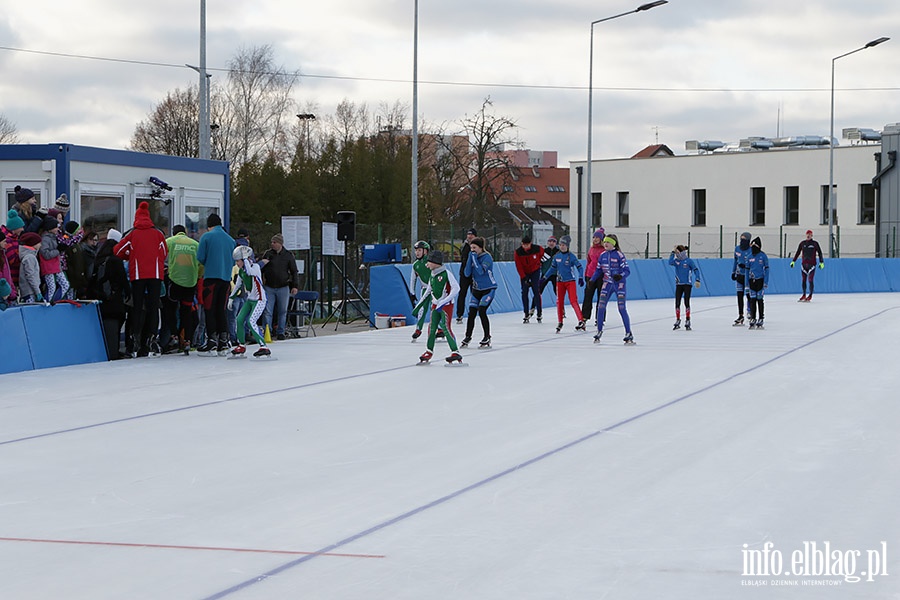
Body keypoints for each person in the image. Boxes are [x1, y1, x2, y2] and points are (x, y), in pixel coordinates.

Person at [114, 201, 168, 357]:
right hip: (156, 275)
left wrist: (131, 256)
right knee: (154, 307)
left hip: (138, 275)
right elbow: (164, 252)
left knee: (137, 308)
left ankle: (135, 341)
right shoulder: (158, 234)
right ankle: (152, 340)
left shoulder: (132, 234)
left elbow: (117, 251)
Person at [196, 213, 235, 356]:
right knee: (221, 309)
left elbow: (200, 257)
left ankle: (211, 339)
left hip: (211, 278)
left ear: (209, 225)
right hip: (225, 279)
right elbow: (233, 260)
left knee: (209, 309)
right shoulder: (230, 240)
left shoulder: (206, 237)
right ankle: (223, 340)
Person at [90, 232, 131, 360]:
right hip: (114, 299)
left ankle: (106, 350)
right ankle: (114, 351)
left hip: (101, 299)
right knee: (116, 326)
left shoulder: (98, 260)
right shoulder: (115, 260)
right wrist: (127, 292)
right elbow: (122, 280)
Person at [418, 250, 462, 364]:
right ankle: (429, 351)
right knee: (431, 328)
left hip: (446, 306)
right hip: (435, 305)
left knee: (446, 327)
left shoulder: (446, 273)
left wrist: (444, 301)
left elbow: (456, 288)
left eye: (429, 262)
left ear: (435, 262)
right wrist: (419, 305)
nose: (427, 265)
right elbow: (428, 291)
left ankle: (455, 352)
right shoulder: (432, 275)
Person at [228, 245, 271, 358]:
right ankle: (241, 345)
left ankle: (263, 346)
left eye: (238, 261)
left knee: (251, 321)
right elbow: (238, 285)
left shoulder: (255, 267)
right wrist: (231, 298)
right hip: (250, 300)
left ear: (245, 259)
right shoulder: (242, 271)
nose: (237, 264)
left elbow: (250, 272)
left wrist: (246, 259)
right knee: (239, 319)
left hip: (259, 299)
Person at [591, 234, 635, 344]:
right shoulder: (602, 255)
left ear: (613, 244)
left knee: (621, 308)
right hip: (607, 284)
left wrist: (620, 276)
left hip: (619, 284)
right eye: (604, 242)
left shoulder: (619, 255)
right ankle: (599, 331)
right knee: (601, 307)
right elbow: (598, 270)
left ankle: (628, 332)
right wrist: (592, 280)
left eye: (608, 242)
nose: (605, 244)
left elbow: (627, 270)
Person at [164, 224, 201, 355]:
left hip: (175, 281)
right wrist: (198, 276)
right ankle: (187, 341)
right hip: (190, 283)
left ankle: (174, 336)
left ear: (174, 233)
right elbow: (201, 263)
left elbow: (160, 253)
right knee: (187, 313)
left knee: (171, 309)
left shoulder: (170, 241)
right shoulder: (195, 244)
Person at [540, 235, 585, 333]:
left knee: (573, 301)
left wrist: (581, 277)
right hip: (560, 282)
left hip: (570, 282)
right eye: (560, 245)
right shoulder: (557, 256)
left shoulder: (571, 256)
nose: (562, 247)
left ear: (567, 246)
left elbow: (579, 267)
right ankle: (560, 322)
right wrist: (544, 277)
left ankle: (581, 320)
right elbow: (552, 268)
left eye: (564, 245)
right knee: (559, 302)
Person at [260, 233, 298, 341]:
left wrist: (294, 285)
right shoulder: (268, 254)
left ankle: (281, 331)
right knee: (268, 311)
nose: (272, 244)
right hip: (269, 286)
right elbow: (262, 269)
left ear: (280, 244)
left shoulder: (288, 255)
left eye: (274, 242)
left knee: (282, 310)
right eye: (272, 242)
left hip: (283, 286)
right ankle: (268, 331)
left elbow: (294, 271)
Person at [461, 236, 497, 348]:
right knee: (471, 313)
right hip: (476, 290)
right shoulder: (472, 256)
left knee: (481, 311)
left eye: (475, 247)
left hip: (488, 289)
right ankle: (468, 336)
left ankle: (487, 336)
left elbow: (481, 271)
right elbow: (466, 273)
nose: (472, 250)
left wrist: (474, 259)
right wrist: (469, 259)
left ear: (481, 248)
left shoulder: (487, 257)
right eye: (471, 247)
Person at [668, 244, 701, 331]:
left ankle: (688, 320)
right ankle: (678, 319)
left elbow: (696, 269)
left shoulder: (688, 261)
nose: (677, 254)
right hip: (679, 284)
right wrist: (672, 252)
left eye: (678, 252)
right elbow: (669, 262)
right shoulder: (676, 261)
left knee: (686, 302)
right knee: (677, 302)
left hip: (687, 284)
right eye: (676, 253)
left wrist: (697, 279)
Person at [39, 215, 70, 302]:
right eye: (56, 227)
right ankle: (47, 303)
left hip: (56, 266)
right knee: (51, 288)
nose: (57, 229)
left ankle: (55, 301)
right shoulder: (45, 239)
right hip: (48, 267)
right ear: (50, 228)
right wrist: (58, 250)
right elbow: (45, 254)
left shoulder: (53, 237)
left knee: (65, 284)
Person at [514, 235, 543, 323]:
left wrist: (540, 263)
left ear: (530, 243)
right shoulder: (518, 252)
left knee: (536, 291)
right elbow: (518, 266)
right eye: (524, 245)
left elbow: (544, 255)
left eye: (527, 245)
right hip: (525, 273)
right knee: (524, 292)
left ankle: (539, 313)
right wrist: (524, 277)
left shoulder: (537, 249)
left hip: (535, 271)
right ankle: (526, 313)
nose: (525, 247)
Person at [580, 228, 605, 326]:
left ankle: (600, 318)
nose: (595, 239)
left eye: (597, 238)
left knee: (601, 297)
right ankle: (584, 316)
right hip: (590, 275)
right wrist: (586, 274)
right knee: (588, 296)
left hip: (601, 276)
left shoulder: (604, 250)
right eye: (594, 237)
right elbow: (588, 262)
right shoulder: (591, 249)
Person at [791, 229, 824, 302]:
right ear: (806, 235)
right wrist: (793, 261)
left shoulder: (815, 244)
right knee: (803, 280)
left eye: (810, 234)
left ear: (812, 235)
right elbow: (798, 252)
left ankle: (810, 295)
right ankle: (804, 294)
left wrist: (821, 262)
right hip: (803, 265)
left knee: (810, 280)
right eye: (807, 234)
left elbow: (820, 253)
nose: (808, 236)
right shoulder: (802, 243)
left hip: (812, 265)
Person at [409, 240, 432, 341]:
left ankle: (440, 329)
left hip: (436, 289)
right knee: (422, 310)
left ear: (425, 251)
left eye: (419, 250)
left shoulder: (432, 262)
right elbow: (412, 279)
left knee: (436, 309)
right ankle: (418, 329)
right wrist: (412, 293)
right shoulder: (415, 265)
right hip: (425, 288)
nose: (417, 252)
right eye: (416, 250)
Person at [59, 221, 87, 298]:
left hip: (74, 274)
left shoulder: (76, 244)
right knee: (67, 289)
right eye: (78, 230)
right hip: (68, 272)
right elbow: (69, 243)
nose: (80, 232)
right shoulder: (68, 241)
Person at [746, 237, 769, 329]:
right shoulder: (749, 257)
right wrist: (746, 284)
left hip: (760, 281)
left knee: (760, 300)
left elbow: (767, 269)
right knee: (752, 300)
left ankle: (761, 318)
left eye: (754, 246)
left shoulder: (763, 256)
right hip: (752, 281)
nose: (752, 248)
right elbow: (747, 271)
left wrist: (766, 282)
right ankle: (753, 317)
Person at [455, 228, 477, 324]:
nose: (469, 236)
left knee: (475, 293)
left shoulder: (478, 246)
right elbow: (463, 257)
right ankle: (459, 314)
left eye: (471, 234)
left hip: (474, 274)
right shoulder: (465, 245)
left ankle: (474, 312)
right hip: (464, 274)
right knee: (462, 294)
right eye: (468, 234)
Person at [731, 231, 752, 326]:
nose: (742, 241)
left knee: (749, 295)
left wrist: (747, 266)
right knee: (739, 296)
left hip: (748, 276)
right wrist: (733, 271)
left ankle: (751, 312)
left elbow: (753, 263)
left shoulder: (751, 250)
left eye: (744, 239)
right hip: (739, 275)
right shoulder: (737, 249)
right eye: (741, 239)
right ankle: (740, 315)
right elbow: (735, 260)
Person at [17, 232, 43, 303]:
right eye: (39, 243)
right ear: (33, 244)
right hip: (29, 291)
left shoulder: (31, 256)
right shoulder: (29, 258)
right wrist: (37, 291)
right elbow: (30, 276)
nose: (40, 245)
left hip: (31, 291)